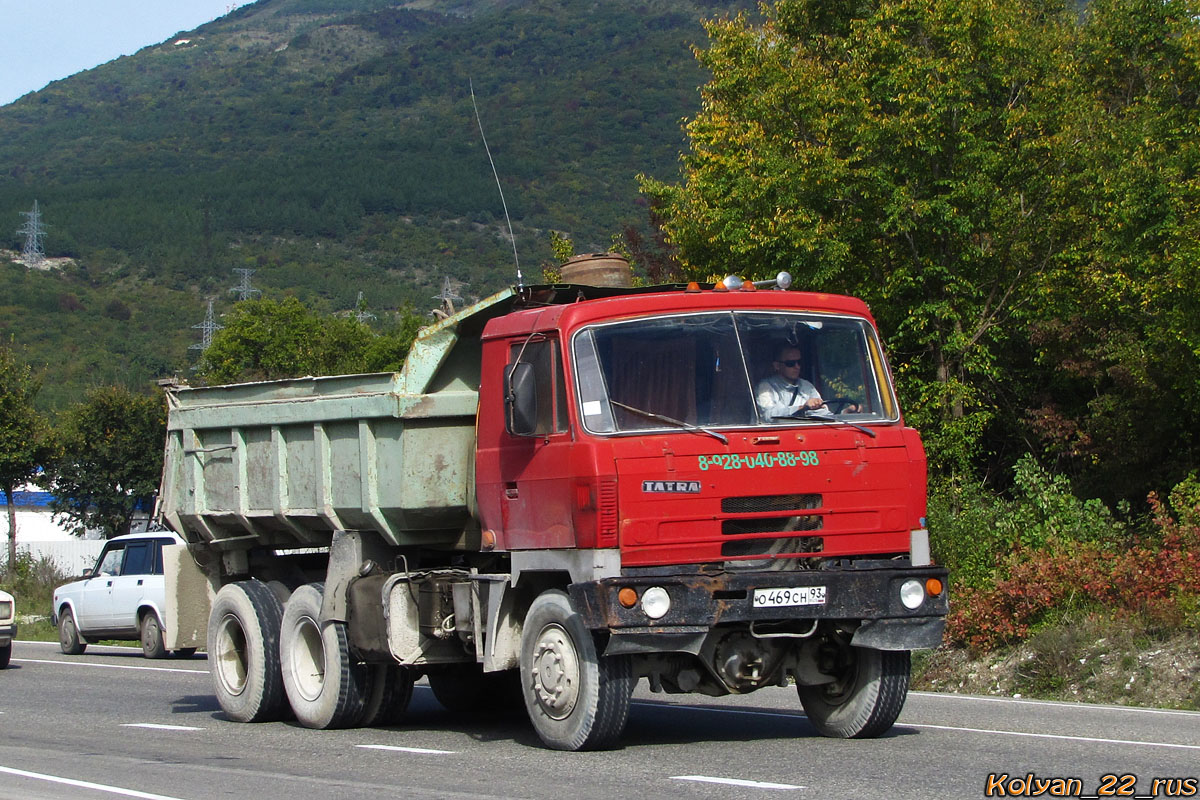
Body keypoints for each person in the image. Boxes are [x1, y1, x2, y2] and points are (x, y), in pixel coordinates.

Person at [755, 345, 826, 419]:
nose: (797, 367)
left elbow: (823, 411)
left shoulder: (807, 386)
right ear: (777, 366)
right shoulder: (764, 387)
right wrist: (801, 408)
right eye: (790, 363)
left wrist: (819, 407)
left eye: (799, 362)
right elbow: (767, 415)